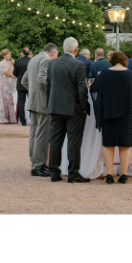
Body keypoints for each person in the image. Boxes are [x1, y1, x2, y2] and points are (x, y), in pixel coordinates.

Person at [43, 39, 90, 182]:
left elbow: (48, 86)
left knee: (55, 140)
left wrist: (49, 106)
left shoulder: (52, 63)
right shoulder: (78, 65)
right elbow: (82, 89)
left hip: (55, 107)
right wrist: (84, 107)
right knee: (73, 141)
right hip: (73, 108)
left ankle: (54, 172)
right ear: (76, 50)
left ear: (63, 48)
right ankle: (73, 173)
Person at [90, 50, 132, 184]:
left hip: (108, 113)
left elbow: (93, 89)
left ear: (111, 61)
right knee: (125, 145)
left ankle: (109, 174)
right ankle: (123, 174)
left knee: (108, 144)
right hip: (127, 114)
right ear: (124, 61)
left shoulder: (104, 74)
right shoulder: (131, 74)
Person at [27, 44, 57, 176]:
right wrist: (52, 91)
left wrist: (33, 93)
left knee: (34, 133)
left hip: (33, 101)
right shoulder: (46, 60)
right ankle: (38, 166)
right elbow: (41, 80)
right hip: (42, 102)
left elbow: (25, 80)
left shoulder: (33, 59)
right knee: (42, 134)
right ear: (53, 53)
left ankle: (35, 162)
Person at [0, 49, 20, 123]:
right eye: (8, 54)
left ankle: (11, 117)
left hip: (10, 83)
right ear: (4, 55)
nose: (10, 55)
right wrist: (12, 65)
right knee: (7, 99)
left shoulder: (9, 62)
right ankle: (5, 118)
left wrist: (15, 76)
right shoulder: (2, 63)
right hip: (5, 83)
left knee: (10, 99)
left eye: (10, 54)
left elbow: (12, 73)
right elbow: (8, 73)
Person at [14, 47, 32, 124]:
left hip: (20, 83)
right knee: (31, 102)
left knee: (21, 103)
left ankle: (23, 121)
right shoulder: (31, 61)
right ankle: (32, 119)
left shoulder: (18, 61)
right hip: (30, 84)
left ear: (22, 53)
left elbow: (15, 73)